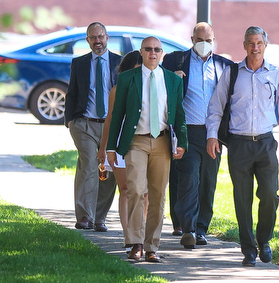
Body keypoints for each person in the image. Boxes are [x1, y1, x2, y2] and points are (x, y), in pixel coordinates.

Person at [205, 26, 279, 267]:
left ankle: (264, 240)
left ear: (265, 45)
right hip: (239, 145)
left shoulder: (275, 74)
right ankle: (248, 249)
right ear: (244, 45)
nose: (254, 47)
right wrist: (212, 136)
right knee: (242, 198)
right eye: (250, 43)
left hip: (266, 143)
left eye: (259, 43)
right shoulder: (232, 73)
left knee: (270, 194)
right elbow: (216, 106)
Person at [106, 37, 187, 263]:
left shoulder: (172, 80)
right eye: (148, 49)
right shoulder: (127, 79)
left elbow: (179, 114)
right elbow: (117, 116)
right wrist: (111, 147)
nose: (153, 53)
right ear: (141, 52)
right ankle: (136, 243)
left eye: (157, 50)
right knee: (135, 189)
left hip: (162, 142)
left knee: (158, 195)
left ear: (162, 54)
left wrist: (182, 142)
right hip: (136, 142)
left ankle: (152, 247)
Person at [163, 22, 234, 249]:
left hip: (213, 134)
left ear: (214, 40)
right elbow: (161, 84)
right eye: (200, 40)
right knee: (189, 178)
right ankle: (189, 229)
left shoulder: (225, 66)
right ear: (192, 39)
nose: (204, 44)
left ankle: (202, 229)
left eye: (209, 40)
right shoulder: (176, 60)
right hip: (187, 131)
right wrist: (172, 77)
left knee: (207, 182)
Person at [65, 22, 121, 232]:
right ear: (87, 40)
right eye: (92, 37)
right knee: (89, 164)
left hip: (112, 125)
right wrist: (70, 121)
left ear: (107, 37)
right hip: (85, 124)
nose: (97, 41)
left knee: (108, 170)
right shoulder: (79, 63)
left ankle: (99, 218)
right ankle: (85, 217)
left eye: (100, 36)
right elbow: (72, 93)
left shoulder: (119, 62)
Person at [96, 50, 146, 248]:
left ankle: (140, 232)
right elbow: (110, 120)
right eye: (135, 69)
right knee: (125, 189)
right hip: (120, 144)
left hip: (145, 142)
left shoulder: (154, 87)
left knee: (144, 192)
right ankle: (128, 234)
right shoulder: (117, 90)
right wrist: (103, 148)